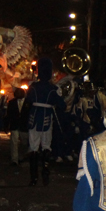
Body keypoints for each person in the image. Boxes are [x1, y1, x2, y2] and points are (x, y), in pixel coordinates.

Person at [25, 57, 66, 186]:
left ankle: (33, 178)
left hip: (34, 116)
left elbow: (28, 102)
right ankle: (45, 173)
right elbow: (62, 105)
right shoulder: (52, 88)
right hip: (47, 117)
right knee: (46, 146)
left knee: (33, 147)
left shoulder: (33, 87)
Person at [7, 87, 28, 166]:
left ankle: (21, 156)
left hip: (24, 125)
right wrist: (7, 124)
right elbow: (8, 114)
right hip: (15, 124)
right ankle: (14, 159)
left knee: (24, 142)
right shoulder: (12, 102)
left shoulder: (28, 103)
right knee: (14, 142)